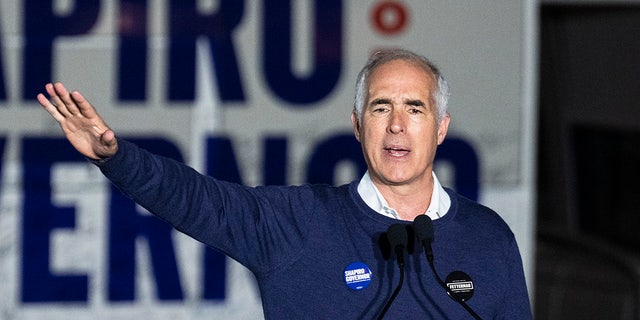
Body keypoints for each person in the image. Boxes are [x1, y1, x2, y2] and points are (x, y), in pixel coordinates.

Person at [37, 49, 532, 319]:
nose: (397, 125)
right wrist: (117, 158)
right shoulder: (295, 223)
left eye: (415, 109)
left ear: (441, 127)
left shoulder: (489, 236)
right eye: (381, 107)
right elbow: (194, 199)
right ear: (358, 125)